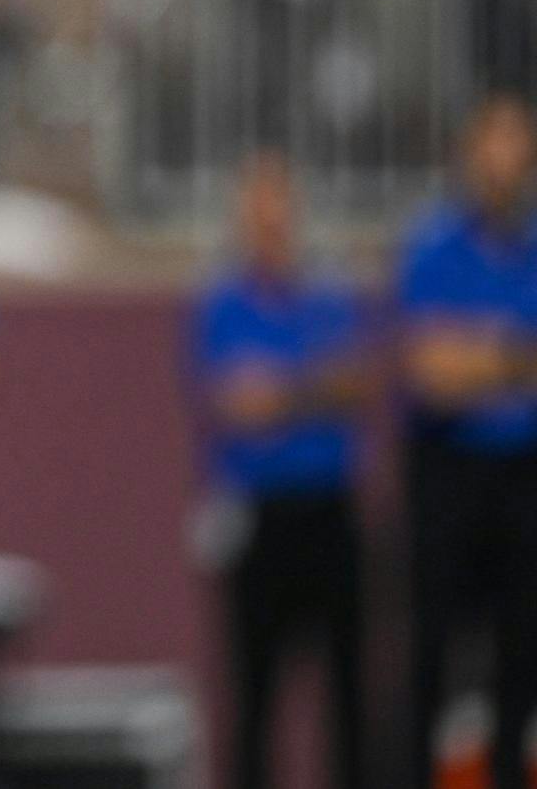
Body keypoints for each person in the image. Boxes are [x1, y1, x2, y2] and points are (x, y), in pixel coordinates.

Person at [190, 153, 368, 789]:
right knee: (253, 694)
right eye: (256, 212)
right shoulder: (221, 303)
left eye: (279, 210)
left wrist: (286, 391)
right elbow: (238, 403)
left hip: (331, 511)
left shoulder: (331, 292)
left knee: (350, 690)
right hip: (258, 519)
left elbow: (353, 380)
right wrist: (314, 387)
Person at [396, 96, 537, 789]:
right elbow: (432, 372)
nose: (504, 157)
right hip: (449, 471)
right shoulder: (433, 245)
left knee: (523, 649)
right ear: (469, 151)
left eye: (518, 141)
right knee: (434, 649)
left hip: (524, 474)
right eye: (493, 140)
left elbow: (462, 360)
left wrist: (478, 352)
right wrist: (515, 357)